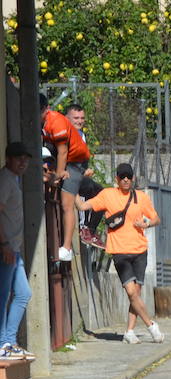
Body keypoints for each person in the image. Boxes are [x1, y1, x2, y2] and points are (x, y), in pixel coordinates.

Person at [75, 163, 165, 345]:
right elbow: (83, 206)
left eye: (129, 177)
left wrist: (147, 224)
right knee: (131, 292)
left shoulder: (141, 197)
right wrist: (71, 187)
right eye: (122, 176)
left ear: (132, 179)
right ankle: (152, 326)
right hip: (119, 251)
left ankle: (129, 332)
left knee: (136, 294)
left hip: (140, 250)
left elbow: (156, 218)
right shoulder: (108, 195)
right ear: (116, 179)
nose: (125, 179)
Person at [41, 93, 91, 262]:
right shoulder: (39, 122)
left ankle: (67, 248)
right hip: (60, 156)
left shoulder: (56, 122)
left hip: (76, 161)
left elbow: (63, 151)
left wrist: (59, 173)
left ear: (46, 110)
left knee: (66, 204)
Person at [0, 142, 34, 362]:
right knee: (3, 297)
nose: (23, 162)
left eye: (26, 158)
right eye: (18, 158)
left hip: (14, 248)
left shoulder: (15, 180)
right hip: (6, 248)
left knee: (23, 293)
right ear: (8, 159)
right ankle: (3, 343)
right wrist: (4, 245)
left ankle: (9, 342)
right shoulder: (4, 179)